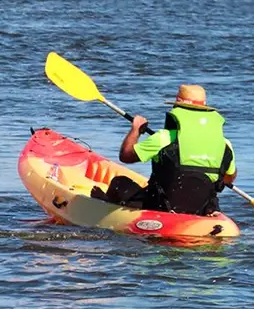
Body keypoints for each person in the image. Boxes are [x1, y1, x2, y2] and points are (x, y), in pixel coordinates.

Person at [98, 84, 238, 216]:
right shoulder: (225, 144)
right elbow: (227, 178)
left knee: (119, 183)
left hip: (161, 206)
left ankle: (106, 212)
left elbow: (126, 155)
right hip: (202, 208)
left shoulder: (164, 138)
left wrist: (136, 130)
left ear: (177, 106)